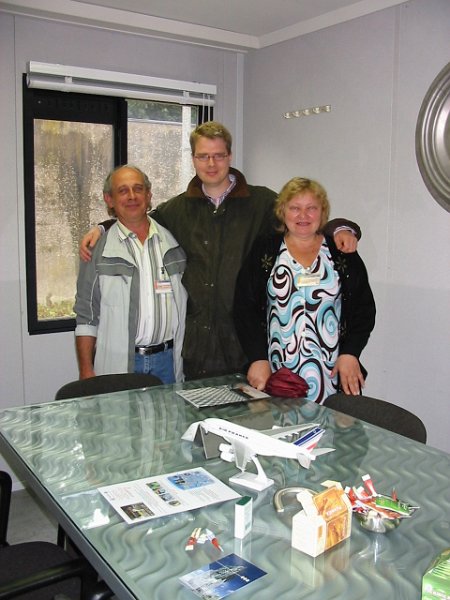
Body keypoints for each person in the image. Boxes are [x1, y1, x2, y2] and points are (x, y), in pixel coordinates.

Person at [80, 122, 360, 380]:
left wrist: (341, 228)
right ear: (193, 159)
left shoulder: (261, 203)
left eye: (218, 155)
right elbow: (138, 217)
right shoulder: (177, 210)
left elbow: (301, 219)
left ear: (230, 156)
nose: (211, 163)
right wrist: (104, 227)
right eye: (203, 156)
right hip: (195, 351)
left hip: (246, 348)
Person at [233, 177, 376, 403]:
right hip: (278, 372)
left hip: (333, 372)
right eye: (295, 208)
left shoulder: (341, 252)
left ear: (322, 212)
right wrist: (258, 358)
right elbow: (244, 308)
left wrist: (351, 353)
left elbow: (364, 309)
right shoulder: (265, 250)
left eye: (311, 208)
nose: (303, 216)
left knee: (335, 426)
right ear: (283, 211)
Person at [74, 165, 187, 383]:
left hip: (168, 362)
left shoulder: (174, 242)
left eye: (138, 189)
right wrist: (86, 371)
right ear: (109, 199)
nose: (132, 196)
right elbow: (86, 316)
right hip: (120, 364)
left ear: (149, 195)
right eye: (123, 190)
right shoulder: (98, 251)